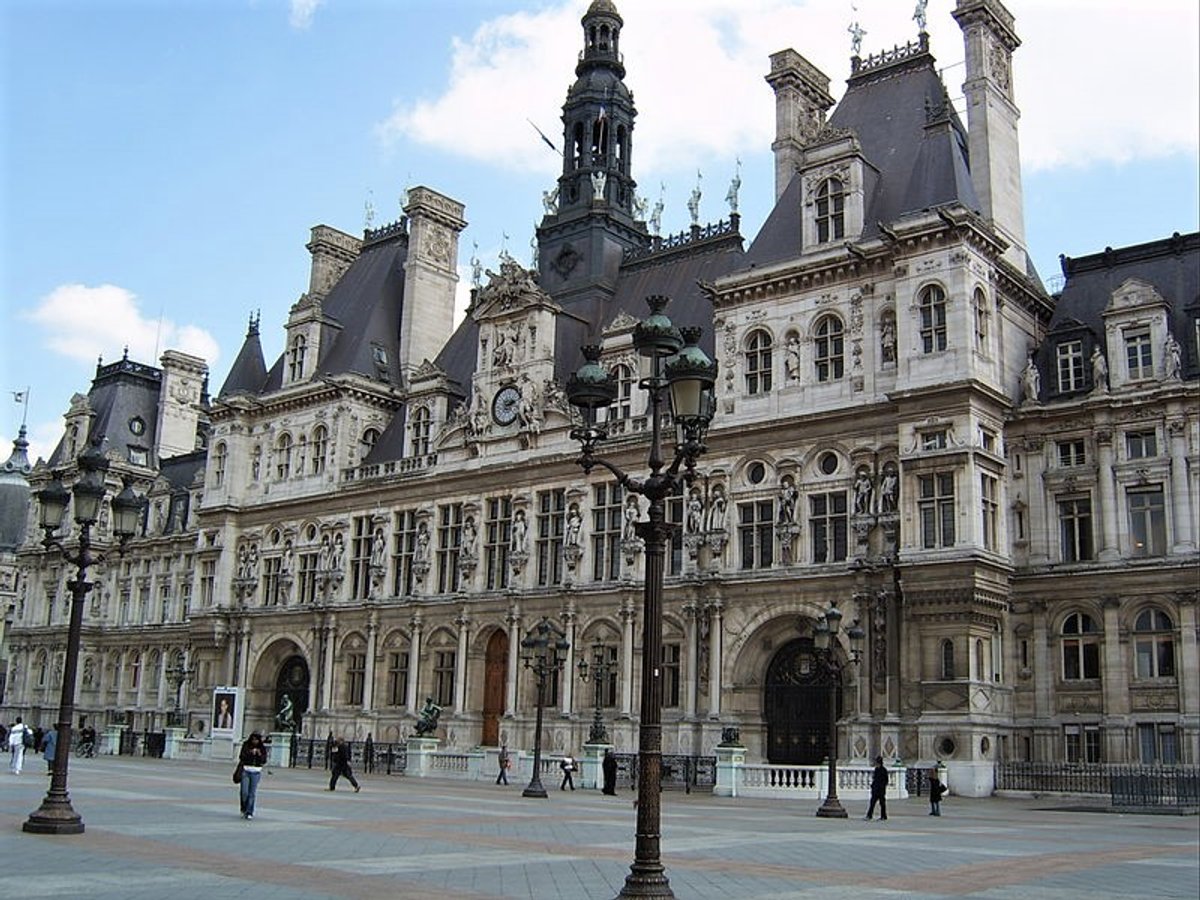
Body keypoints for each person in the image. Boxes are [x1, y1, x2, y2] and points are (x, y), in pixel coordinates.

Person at [238, 731, 268, 819]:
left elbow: (264, 760)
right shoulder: (246, 745)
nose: (255, 741)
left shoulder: (262, 748)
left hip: (256, 771)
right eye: (253, 739)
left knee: (252, 793)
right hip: (246, 770)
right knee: (244, 792)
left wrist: (259, 754)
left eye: (256, 740)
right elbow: (241, 756)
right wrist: (250, 752)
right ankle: (243, 807)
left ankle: (249, 811)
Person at [863, 756, 889, 821]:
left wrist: (882, 787)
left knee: (882, 803)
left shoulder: (883, 770)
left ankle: (883, 816)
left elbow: (885, 780)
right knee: (872, 803)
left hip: (880, 790)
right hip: (876, 789)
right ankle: (870, 815)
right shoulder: (877, 769)